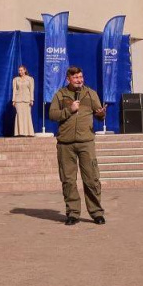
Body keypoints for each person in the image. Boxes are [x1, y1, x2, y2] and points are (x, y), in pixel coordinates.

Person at [48, 66, 106, 226]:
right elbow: (52, 114)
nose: (79, 80)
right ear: (68, 79)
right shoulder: (60, 94)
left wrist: (101, 114)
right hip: (65, 144)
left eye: (81, 77)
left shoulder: (91, 93)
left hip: (86, 143)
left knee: (92, 179)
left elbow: (99, 114)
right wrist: (69, 109)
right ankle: (73, 213)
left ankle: (96, 212)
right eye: (75, 78)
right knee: (68, 181)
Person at [12, 65, 35, 137]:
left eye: (21, 70)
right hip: (18, 100)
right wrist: (13, 100)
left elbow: (31, 90)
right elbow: (14, 90)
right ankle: (20, 132)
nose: (20, 72)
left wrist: (31, 99)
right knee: (19, 115)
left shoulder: (30, 79)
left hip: (27, 100)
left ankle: (28, 132)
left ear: (25, 70)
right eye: (19, 70)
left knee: (27, 115)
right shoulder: (16, 79)